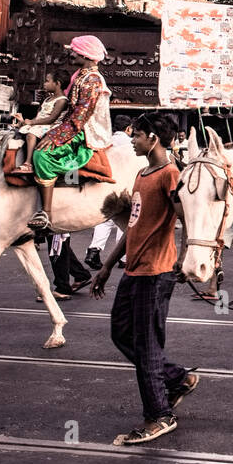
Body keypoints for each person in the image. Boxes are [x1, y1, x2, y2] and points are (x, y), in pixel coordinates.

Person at [90, 113, 198, 446]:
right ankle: (176, 378)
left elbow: (186, 218)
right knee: (120, 332)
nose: (132, 140)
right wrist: (108, 265)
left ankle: (160, 415)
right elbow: (133, 226)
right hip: (133, 269)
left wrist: (184, 257)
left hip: (156, 272)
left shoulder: (170, 175)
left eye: (136, 135)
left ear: (152, 138)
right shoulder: (142, 174)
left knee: (148, 347)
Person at [28, 35, 113, 231]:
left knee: (42, 155)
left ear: (85, 54)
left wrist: (55, 136)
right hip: (71, 125)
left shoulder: (92, 81)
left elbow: (81, 116)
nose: (72, 54)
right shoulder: (80, 75)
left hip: (84, 131)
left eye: (75, 51)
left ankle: (46, 213)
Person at [86, 115, 136, 271]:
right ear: (129, 129)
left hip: (106, 185)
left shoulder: (106, 143)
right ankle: (123, 257)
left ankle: (94, 250)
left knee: (106, 219)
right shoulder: (132, 145)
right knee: (126, 220)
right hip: (126, 186)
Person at [13, 71, 69, 173]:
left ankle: (28, 164)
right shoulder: (47, 99)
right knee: (19, 130)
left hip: (51, 125)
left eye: (47, 81)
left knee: (31, 134)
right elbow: (39, 116)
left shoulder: (62, 101)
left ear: (58, 84)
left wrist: (32, 123)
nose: (44, 84)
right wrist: (24, 121)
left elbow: (51, 119)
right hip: (40, 124)